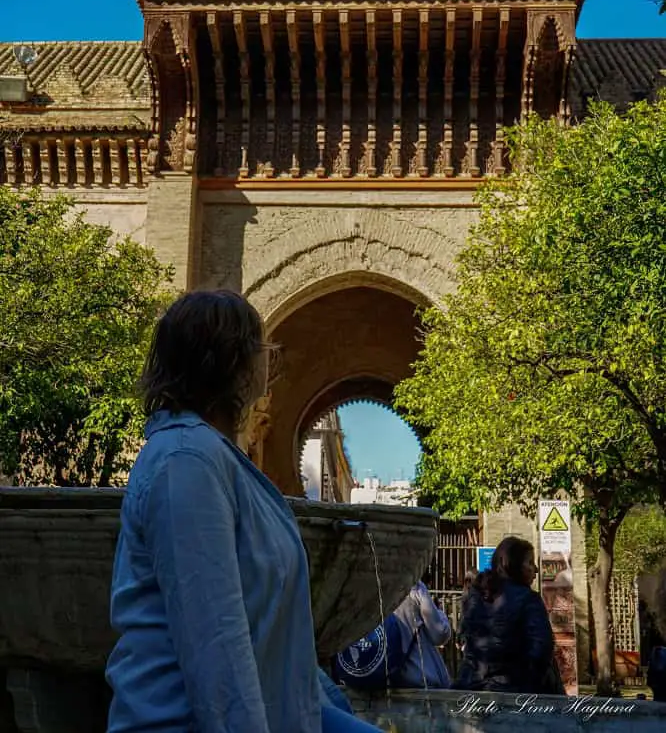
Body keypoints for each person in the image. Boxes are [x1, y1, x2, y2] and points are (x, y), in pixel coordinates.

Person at [105, 289, 379, 733]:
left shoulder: (209, 457)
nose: (270, 360)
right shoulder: (185, 462)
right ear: (233, 362)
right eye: (263, 347)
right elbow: (215, 644)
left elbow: (276, 647)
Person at [454, 536, 557, 694]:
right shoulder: (529, 599)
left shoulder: (476, 595)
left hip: (471, 687)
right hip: (514, 691)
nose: (535, 569)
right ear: (513, 565)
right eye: (530, 562)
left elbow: (465, 637)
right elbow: (541, 650)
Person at [391, 581, 452, 689]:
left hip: (383, 678)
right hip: (419, 676)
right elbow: (439, 634)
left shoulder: (364, 585)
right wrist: (440, 614)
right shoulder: (414, 587)